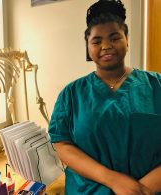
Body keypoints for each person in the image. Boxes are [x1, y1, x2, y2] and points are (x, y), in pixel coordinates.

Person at [48, 0, 161, 194]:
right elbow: (62, 144)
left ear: (127, 39)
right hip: (88, 190)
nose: (106, 46)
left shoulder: (156, 85)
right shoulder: (71, 94)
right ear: (88, 47)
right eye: (97, 41)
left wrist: (144, 189)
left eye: (114, 37)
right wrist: (113, 180)